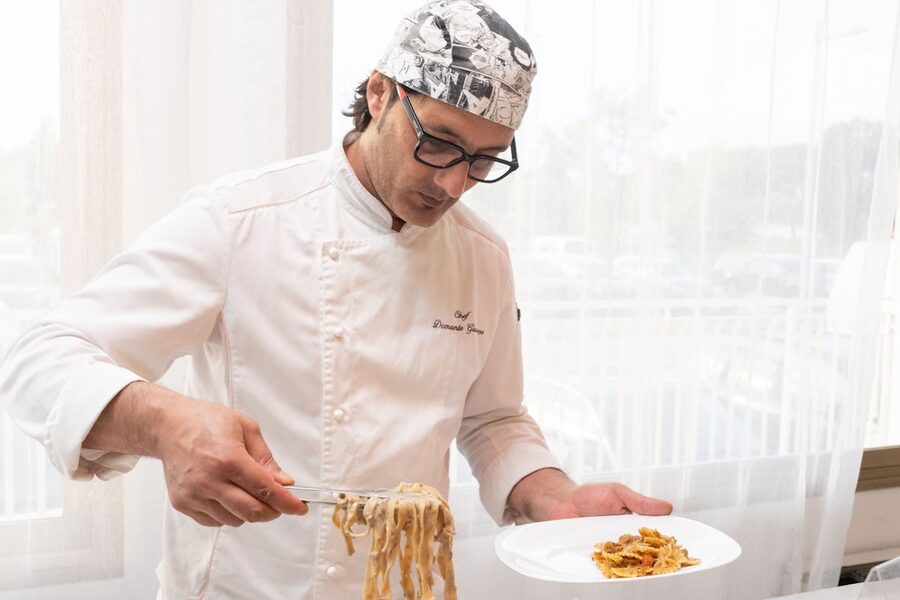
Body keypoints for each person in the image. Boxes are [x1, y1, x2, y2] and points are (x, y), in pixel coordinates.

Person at [0, 1, 672, 597]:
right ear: (380, 93)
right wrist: (165, 423)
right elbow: (39, 358)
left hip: (406, 586)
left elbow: (492, 418)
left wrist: (554, 496)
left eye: (483, 160)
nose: (454, 184)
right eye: (437, 143)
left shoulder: (483, 257)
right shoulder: (242, 221)